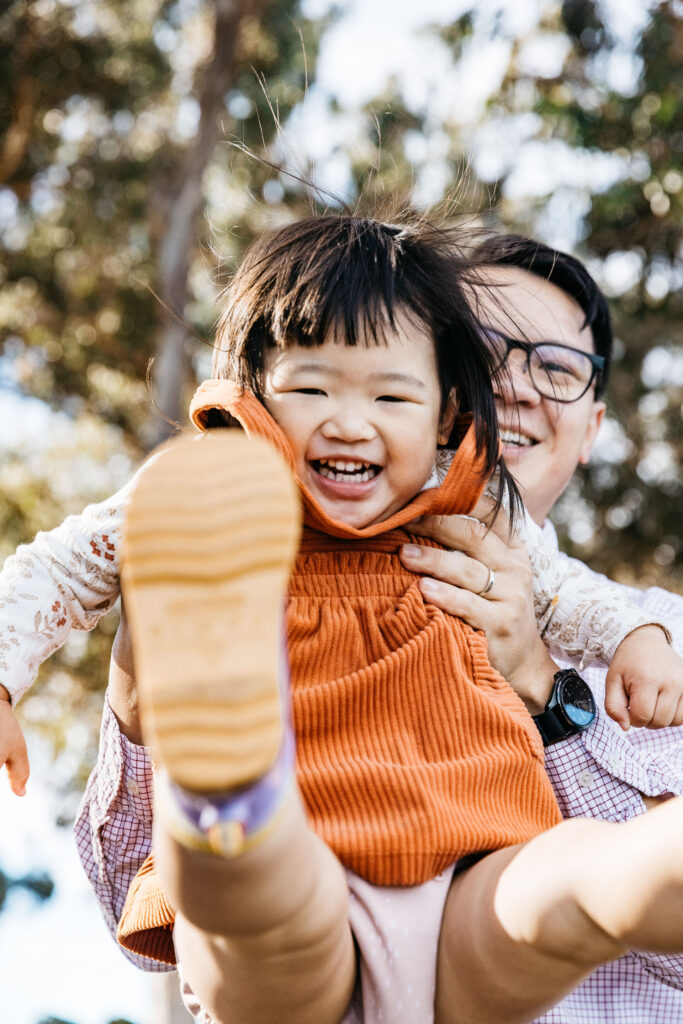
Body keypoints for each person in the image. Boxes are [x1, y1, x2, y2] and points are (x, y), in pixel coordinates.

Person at [1, 215, 682, 1024]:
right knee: (260, 901)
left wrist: (627, 643)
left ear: (444, 411)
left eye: (389, 394)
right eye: (312, 387)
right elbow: (62, 565)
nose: (349, 421)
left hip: (472, 862)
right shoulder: (216, 490)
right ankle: (227, 794)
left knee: (574, 880)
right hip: (306, 852)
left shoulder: (483, 510)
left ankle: (661, 860)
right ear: (255, 389)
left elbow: (569, 593)